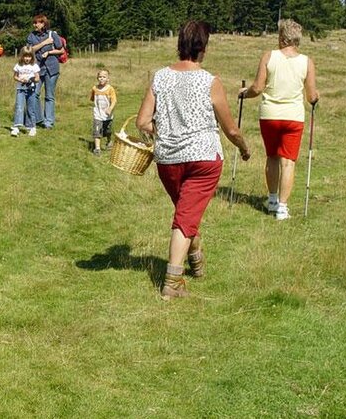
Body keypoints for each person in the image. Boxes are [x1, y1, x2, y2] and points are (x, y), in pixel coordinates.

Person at [136, 20, 251, 300]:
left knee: (186, 212)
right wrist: (245, 148)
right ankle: (172, 283)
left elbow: (142, 122)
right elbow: (231, 129)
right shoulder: (210, 81)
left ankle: (196, 258)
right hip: (203, 160)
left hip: (168, 160)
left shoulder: (160, 77)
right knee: (185, 218)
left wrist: (166, 132)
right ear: (203, 47)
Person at [239, 19, 319, 221]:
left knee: (272, 157)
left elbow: (257, 88)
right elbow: (311, 97)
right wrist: (316, 97)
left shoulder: (269, 56)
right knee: (289, 162)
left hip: (270, 116)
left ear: (282, 38)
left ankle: (272, 199)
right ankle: (282, 208)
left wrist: (244, 93)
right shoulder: (307, 62)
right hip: (293, 117)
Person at [26, 14, 64, 129]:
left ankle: (49, 122)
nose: (35, 25)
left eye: (37, 22)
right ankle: (39, 119)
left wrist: (49, 52)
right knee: (34, 93)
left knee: (49, 96)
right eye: (34, 22)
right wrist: (44, 43)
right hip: (38, 69)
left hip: (52, 68)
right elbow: (30, 50)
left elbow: (61, 50)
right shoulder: (31, 36)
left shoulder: (52, 34)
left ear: (43, 24)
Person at [10, 45, 41, 137]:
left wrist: (31, 79)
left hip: (31, 89)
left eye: (29, 56)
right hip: (20, 89)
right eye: (25, 56)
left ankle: (32, 127)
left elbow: (37, 78)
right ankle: (16, 126)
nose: (27, 58)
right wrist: (20, 79)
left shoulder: (34, 66)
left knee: (30, 108)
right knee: (19, 107)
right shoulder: (18, 66)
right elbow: (15, 76)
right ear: (22, 56)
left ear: (32, 57)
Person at [90, 69, 117, 155]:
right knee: (97, 131)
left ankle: (109, 141)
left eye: (104, 77)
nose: (102, 79)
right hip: (97, 114)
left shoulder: (110, 89)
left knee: (107, 131)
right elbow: (92, 99)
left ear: (108, 79)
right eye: (100, 77)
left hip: (107, 115)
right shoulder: (94, 88)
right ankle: (97, 149)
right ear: (97, 78)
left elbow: (114, 101)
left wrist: (110, 108)